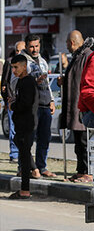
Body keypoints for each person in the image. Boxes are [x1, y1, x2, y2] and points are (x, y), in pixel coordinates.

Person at [60, 30, 94, 183]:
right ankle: (80, 170)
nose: (67, 46)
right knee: (78, 143)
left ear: (72, 42)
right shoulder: (76, 56)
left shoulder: (87, 55)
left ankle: (89, 172)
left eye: (67, 43)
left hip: (82, 107)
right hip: (74, 106)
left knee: (84, 142)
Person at [7, 55, 39, 199]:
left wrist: (13, 105)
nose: (13, 70)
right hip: (21, 124)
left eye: (16, 67)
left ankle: (25, 190)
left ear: (24, 66)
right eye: (12, 67)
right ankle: (30, 178)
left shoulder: (28, 82)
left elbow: (26, 103)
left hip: (27, 124)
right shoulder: (21, 82)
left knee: (25, 156)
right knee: (24, 154)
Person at [25, 34, 55, 177]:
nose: (34, 49)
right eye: (31, 46)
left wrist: (52, 100)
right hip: (31, 105)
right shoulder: (23, 62)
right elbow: (17, 83)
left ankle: (42, 167)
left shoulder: (43, 61)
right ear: (26, 46)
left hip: (44, 104)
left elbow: (47, 83)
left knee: (44, 138)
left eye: (37, 46)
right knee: (29, 138)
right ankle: (26, 167)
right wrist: (34, 82)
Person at [1, 41, 26, 163]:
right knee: (13, 128)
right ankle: (14, 154)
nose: (19, 53)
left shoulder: (29, 63)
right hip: (13, 102)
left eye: (22, 50)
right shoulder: (10, 62)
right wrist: (7, 100)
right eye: (17, 51)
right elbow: (4, 83)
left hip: (25, 102)